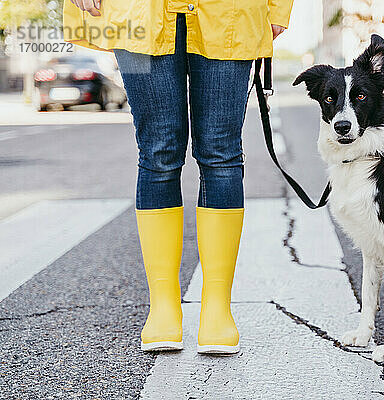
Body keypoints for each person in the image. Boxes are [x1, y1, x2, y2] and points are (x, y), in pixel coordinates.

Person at [63, 0, 293, 354]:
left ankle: (217, 307)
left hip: (232, 10)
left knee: (221, 153)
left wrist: (278, 9)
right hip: (137, 12)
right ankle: (163, 307)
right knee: (158, 152)